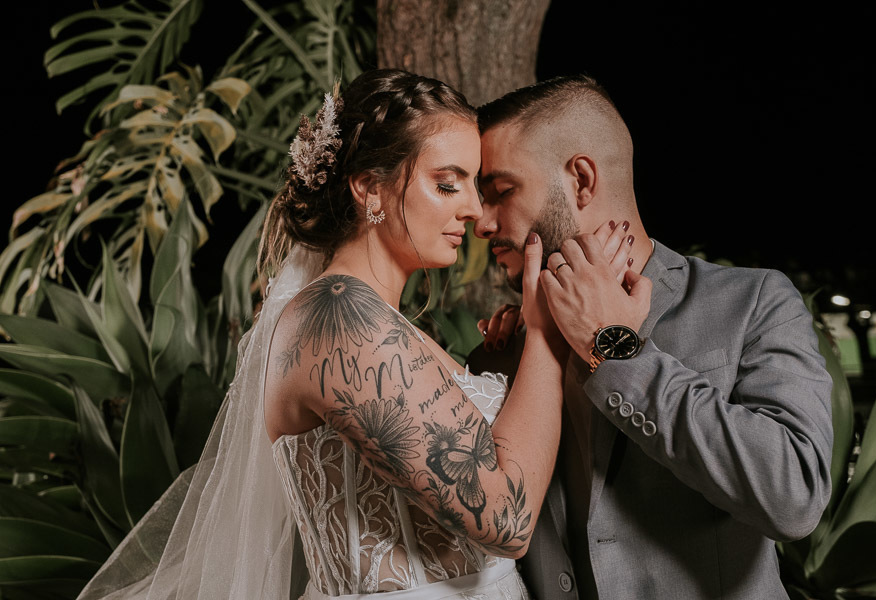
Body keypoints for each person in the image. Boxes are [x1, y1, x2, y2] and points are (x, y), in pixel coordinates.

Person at [77, 69, 633, 600]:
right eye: (447, 184)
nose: (472, 209)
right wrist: (544, 338)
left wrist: (511, 364)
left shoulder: (381, 324)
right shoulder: (338, 320)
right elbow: (506, 521)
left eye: (475, 186)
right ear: (370, 188)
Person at [470, 75, 834, 599]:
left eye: (500, 191)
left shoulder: (751, 302)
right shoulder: (503, 350)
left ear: (581, 181)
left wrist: (613, 345)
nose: (481, 223)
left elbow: (794, 496)